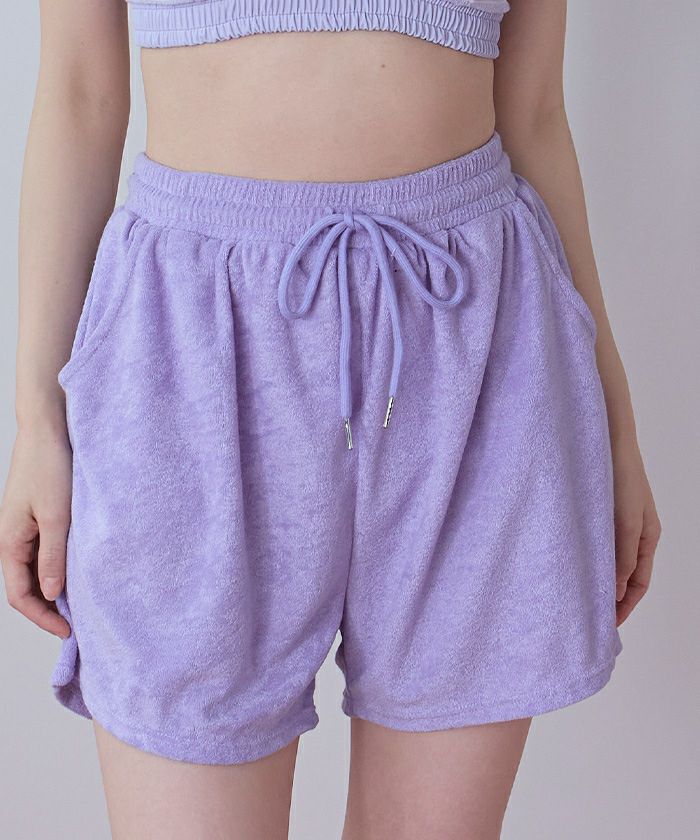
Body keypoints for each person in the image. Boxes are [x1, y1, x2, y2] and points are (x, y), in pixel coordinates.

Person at [0, 1, 661, 838]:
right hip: (191, 363)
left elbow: (533, 116)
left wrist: (615, 423)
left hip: (477, 358)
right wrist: (37, 420)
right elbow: (80, 96)